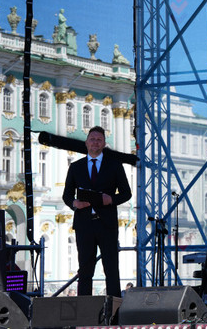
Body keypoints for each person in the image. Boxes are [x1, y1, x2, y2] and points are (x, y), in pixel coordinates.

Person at [62, 126, 132, 297]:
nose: (95, 143)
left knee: (111, 269)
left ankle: (114, 312)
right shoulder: (76, 167)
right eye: (92, 139)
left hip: (106, 224)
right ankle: (84, 312)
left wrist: (111, 200)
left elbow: (126, 193)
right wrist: (75, 203)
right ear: (86, 143)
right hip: (84, 225)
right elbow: (67, 195)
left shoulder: (114, 165)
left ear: (104, 144)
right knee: (85, 270)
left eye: (99, 140)